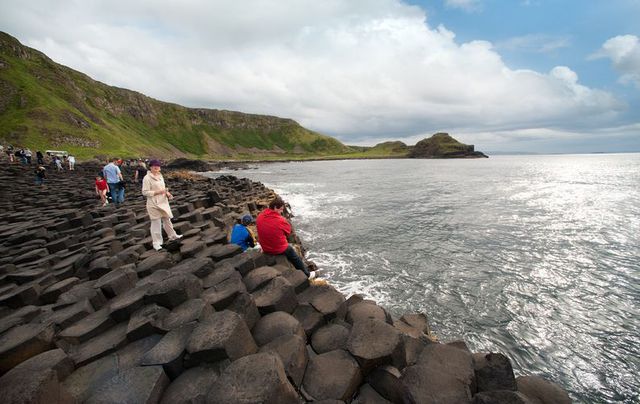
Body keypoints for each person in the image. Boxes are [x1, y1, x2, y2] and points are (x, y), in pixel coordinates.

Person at [256, 196, 311, 277]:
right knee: (293, 253)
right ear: (275, 208)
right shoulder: (280, 220)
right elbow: (288, 232)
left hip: (265, 248)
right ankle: (307, 274)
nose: (282, 212)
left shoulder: (260, 215)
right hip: (276, 249)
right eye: (281, 209)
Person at [142, 159, 182, 250]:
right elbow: (145, 192)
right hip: (153, 203)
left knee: (167, 220)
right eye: (154, 166)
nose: (156, 167)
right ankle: (157, 243)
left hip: (163, 201)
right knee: (156, 223)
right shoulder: (147, 178)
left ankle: (173, 235)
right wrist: (159, 192)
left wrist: (167, 193)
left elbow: (163, 188)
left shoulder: (160, 176)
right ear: (150, 167)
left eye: (158, 166)